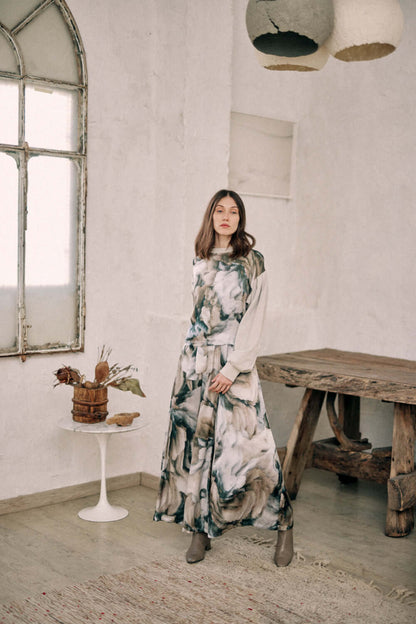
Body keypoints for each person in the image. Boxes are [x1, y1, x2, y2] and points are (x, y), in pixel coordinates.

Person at [153, 189, 293, 566]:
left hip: (235, 364)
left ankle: (283, 525)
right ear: (211, 216)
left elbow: (254, 318)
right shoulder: (198, 259)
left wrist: (233, 369)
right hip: (194, 365)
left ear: (240, 218)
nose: (226, 217)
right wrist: (191, 365)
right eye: (220, 210)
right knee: (197, 449)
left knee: (250, 449)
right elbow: (197, 316)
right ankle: (199, 530)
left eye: (233, 211)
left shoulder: (253, 262)